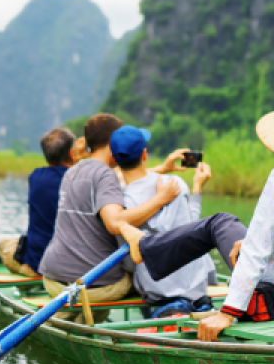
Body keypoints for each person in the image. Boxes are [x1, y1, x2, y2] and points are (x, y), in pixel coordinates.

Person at [119, 93, 274, 341]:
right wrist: (253, 242)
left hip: (273, 302)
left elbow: (258, 250)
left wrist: (229, 312)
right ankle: (144, 246)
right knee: (235, 234)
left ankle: (143, 246)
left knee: (219, 223)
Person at [38, 113, 181, 322]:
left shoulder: (73, 170)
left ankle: (72, 318)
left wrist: (162, 169)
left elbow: (115, 179)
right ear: (113, 142)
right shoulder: (105, 175)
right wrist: (161, 198)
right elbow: (115, 223)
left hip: (52, 277)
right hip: (91, 285)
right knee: (146, 278)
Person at [111, 126, 217, 320]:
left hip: (158, 294)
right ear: (144, 154)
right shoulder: (174, 184)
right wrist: (197, 189)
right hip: (196, 291)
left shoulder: (116, 202)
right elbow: (193, 231)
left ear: (114, 159)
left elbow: (130, 262)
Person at [0, 128, 81, 277]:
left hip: (36, 263)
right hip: (70, 264)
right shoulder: (80, 180)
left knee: (4, 243)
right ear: (71, 153)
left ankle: (27, 272)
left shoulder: (35, 177)